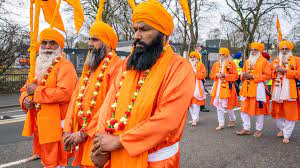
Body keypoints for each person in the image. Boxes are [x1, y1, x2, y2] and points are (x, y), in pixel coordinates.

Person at [90, 1, 195, 167]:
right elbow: (108, 105)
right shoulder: (129, 64)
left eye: (144, 29)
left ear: (163, 36)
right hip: (117, 155)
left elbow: (168, 119)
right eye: (135, 29)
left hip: (157, 161)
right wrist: (101, 144)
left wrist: (120, 141)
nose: (137, 35)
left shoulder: (180, 67)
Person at [63, 19, 121, 167]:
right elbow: (75, 98)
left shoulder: (117, 66)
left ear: (107, 43)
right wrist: (68, 129)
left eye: (95, 39)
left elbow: (110, 105)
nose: (89, 43)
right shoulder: (90, 66)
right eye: (89, 38)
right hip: (81, 135)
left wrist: (84, 133)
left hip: (99, 137)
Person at [19, 27, 78, 167]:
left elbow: (65, 93)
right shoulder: (36, 66)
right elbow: (25, 89)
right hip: (39, 123)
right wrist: (25, 99)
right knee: (46, 160)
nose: (47, 47)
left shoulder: (65, 66)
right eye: (44, 43)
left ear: (59, 47)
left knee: (56, 161)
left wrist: (37, 92)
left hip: (57, 123)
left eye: (52, 43)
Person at [236, 42, 271, 138]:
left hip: (257, 90)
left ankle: (259, 130)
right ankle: (246, 128)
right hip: (245, 90)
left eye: (255, 50)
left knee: (259, 111)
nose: (253, 51)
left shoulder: (264, 61)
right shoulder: (247, 61)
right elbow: (242, 73)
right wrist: (242, 75)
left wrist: (252, 76)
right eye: (252, 50)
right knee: (243, 110)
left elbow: (268, 76)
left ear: (259, 51)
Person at [270, 40, 300, 144]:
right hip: (277, 90)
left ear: (290, 50)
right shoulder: (275, 61)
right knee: (278, 112)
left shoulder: (297, 60)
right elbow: (270, 74)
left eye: (286, 49)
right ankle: (282, 129)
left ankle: (287, 135)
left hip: (290, 91)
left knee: (289, 113)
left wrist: (286, 71)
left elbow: (299, 74)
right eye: (282, 49)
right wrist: (276, 72)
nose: (283, 50)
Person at [210, 48, 239, 130]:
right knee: (218, 106)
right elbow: (212, 75)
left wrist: (225, 76)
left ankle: (233, 119)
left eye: (223, 55)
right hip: (218, 87)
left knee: (229, 107)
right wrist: (216, 75)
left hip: (228, 88)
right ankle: (221, 123)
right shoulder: (216, 64)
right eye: (220, 55)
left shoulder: (231, 63)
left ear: (227, 55)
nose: (221, 56)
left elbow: (235, 76)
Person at [188, 51, 207, 126]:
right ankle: (194, 118)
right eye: (191, 57)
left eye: (194, 57)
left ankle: (195, 119)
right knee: (190, 104)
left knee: (195, 103)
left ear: (197, 58)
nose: (192, 58)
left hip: (197, 86)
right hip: (189, 86)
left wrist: (195, 71)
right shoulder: (188, 65)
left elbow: (203, 75)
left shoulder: (201, 65)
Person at [194, 44, 210, 112]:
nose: (201, 48)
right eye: (200, 47)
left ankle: (199, 105)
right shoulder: (196, 54)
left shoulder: (199, 54)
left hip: (198, 75)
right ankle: (201, 106)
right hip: (197, 75)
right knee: (200, 91)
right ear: (197, 47)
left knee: (199, 91)